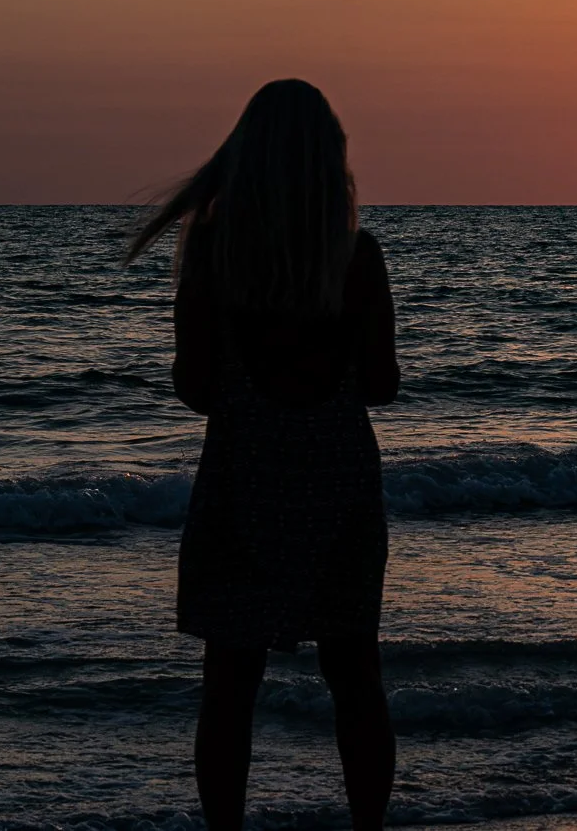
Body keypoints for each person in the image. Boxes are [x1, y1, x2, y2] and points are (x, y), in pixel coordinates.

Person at [125, 79, 401, 830]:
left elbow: (194, 385)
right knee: (356, 677)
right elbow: (381, 384)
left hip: (243, 486)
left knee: (230, 683)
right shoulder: (359, 258)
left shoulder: (214, 255)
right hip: (340, 486)